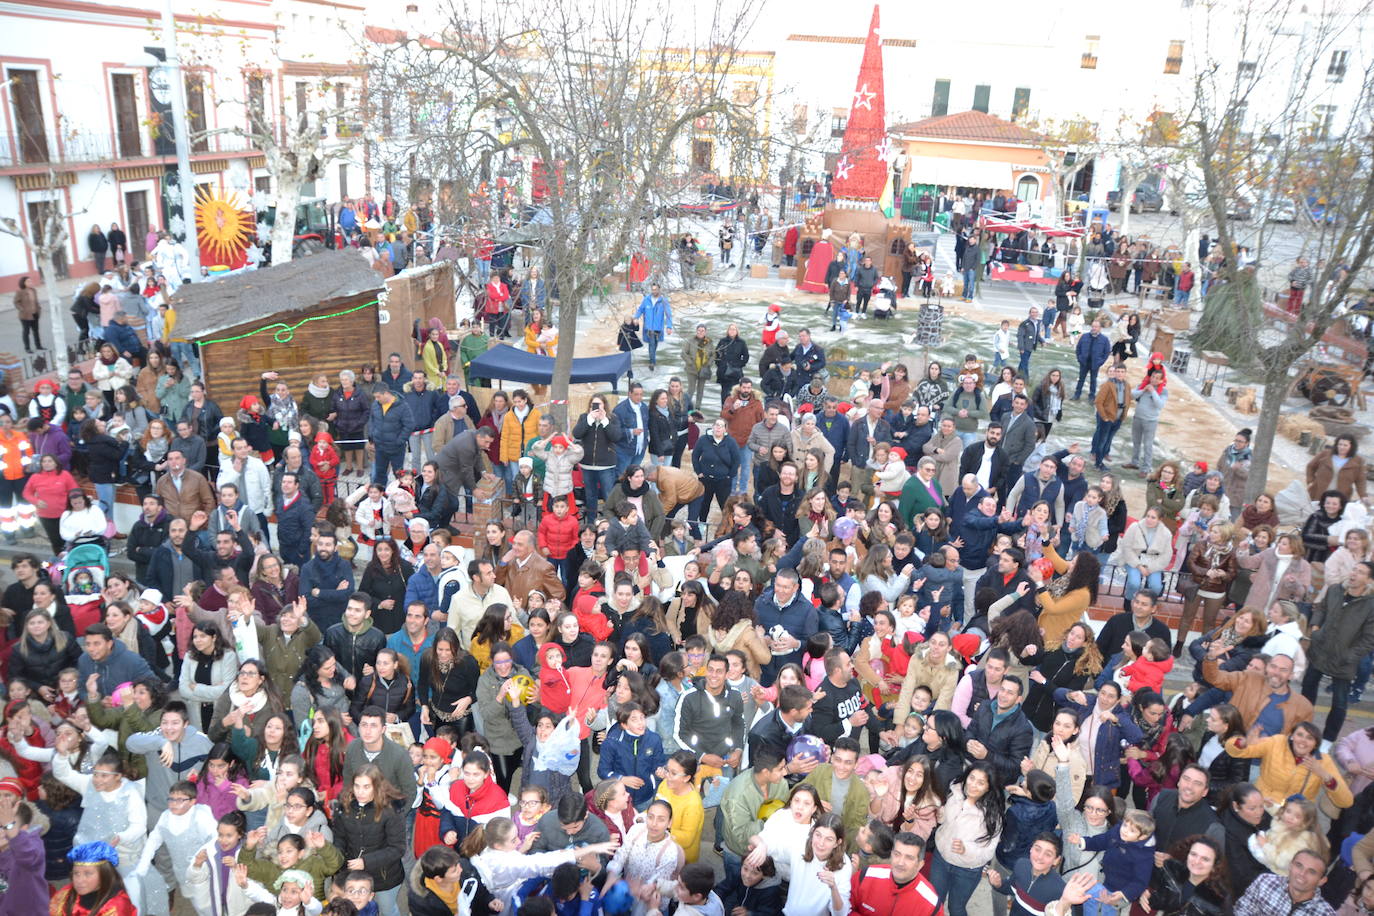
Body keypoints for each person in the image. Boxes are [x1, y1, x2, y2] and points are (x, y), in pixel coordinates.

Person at [1232, 850, 1335, 916]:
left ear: (1321, 881)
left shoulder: (1325, 913)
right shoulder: (1265, 882)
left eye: (1312, 872)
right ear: (1290, 866)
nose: (1302, 874)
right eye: (1299, 865)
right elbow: (1242, 909)